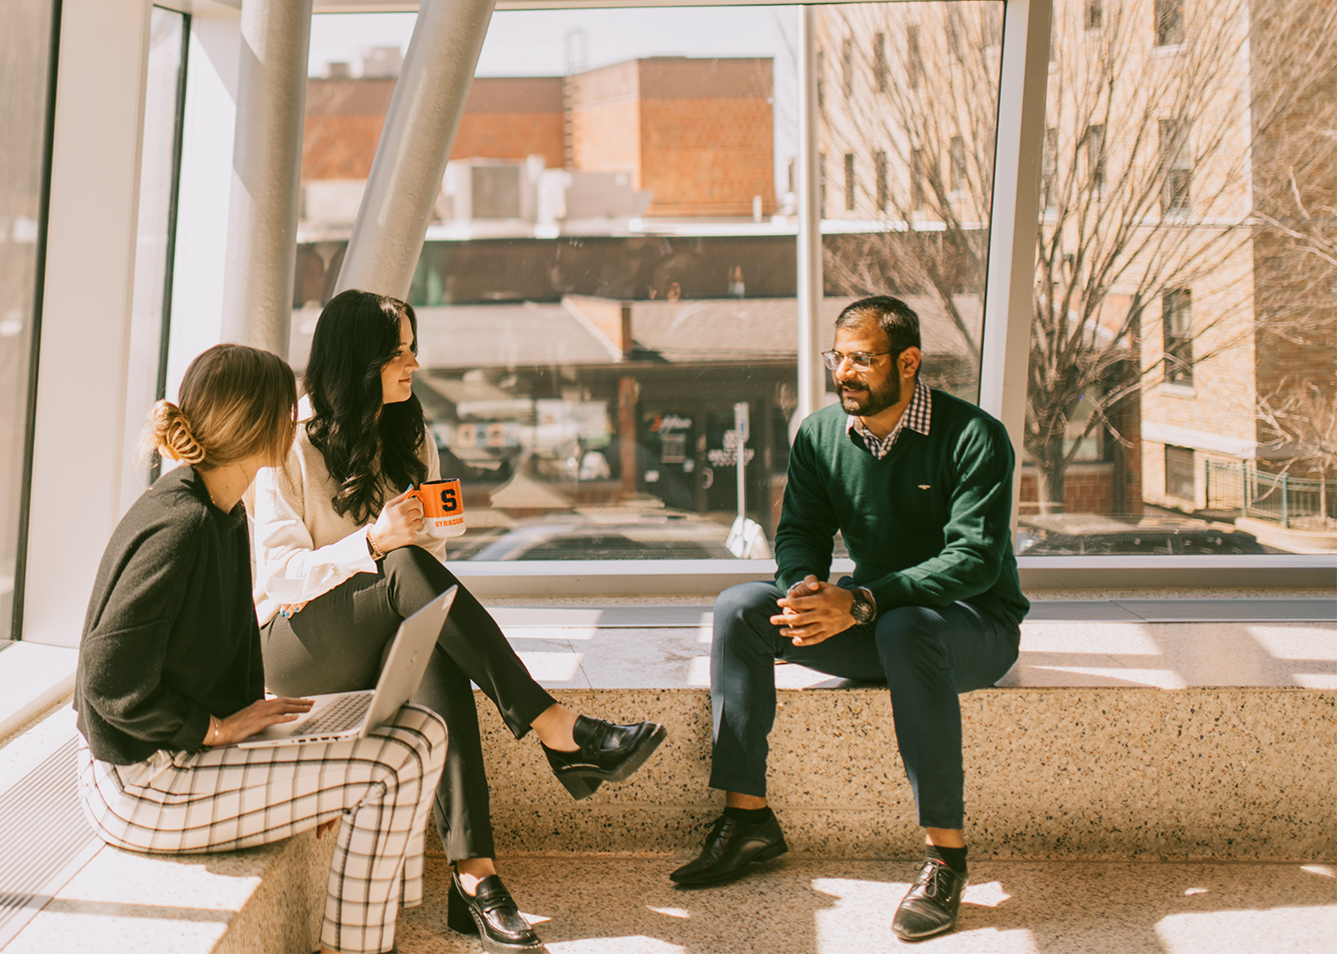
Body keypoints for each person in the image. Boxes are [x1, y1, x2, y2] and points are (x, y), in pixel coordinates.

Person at [252, 290, 668, 954]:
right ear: (359, 360)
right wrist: (375, 542)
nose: (413, 362)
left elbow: (431, 558)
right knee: (406, 572)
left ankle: (476, 880)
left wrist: (426, 530)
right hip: (296, 641)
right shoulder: (288, 445)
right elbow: (278, 575)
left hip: (383, 613)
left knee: (437, 643)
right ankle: (555, 728)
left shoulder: (409, 431)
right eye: (399, 351)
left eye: (414, 347)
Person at [671, 296, 1029, 942]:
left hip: (971, 627)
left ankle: (945, 859)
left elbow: (974, 561)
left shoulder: (973, 435)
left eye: (862, 359)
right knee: (740, 609)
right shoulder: (819, 435)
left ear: (909, 361)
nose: (844, 372)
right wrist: (803, 589)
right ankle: (748, 818)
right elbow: (802, 530)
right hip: (877, 620)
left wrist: (863, 601)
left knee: (906, 626)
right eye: (839, 357)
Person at [75, 343, 448, 954]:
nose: (297, 421)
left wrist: (306, 776)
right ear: (258, 425)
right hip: (141, 785)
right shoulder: (180, 526)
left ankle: (378, 930)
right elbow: (106, 682)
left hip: (168, 762)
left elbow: (217, 648)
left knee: (423, 729)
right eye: (286, 411)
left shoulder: (218, 511)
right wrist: (214, 729)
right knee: (395, 760)